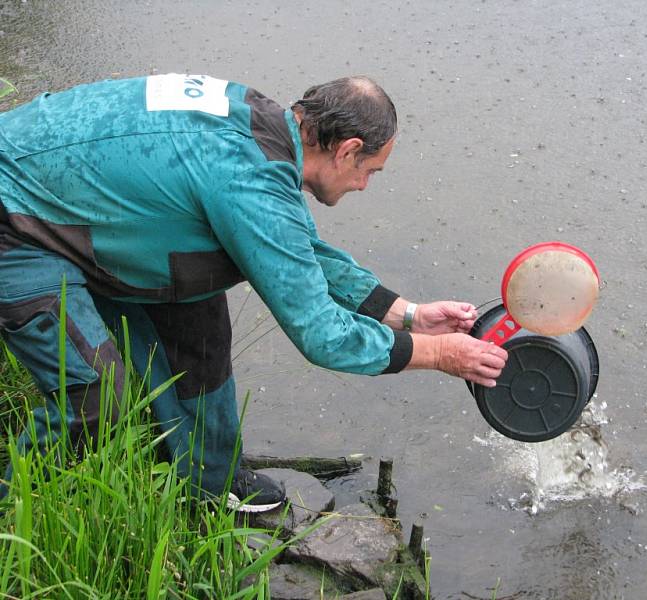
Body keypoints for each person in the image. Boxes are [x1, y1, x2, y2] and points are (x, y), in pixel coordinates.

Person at [0, 74, 507, 510]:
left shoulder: (261, 120)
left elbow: (297, 247)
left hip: (73, 200)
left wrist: (408, 315)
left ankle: (208, 486)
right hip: (17, 220)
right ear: (348, 148)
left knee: (198, 329)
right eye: (369, 171)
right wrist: (441, 354)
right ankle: (11, 503)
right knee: (96, 391)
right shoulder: (251, 180)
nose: (365, 187)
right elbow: (321, 335)